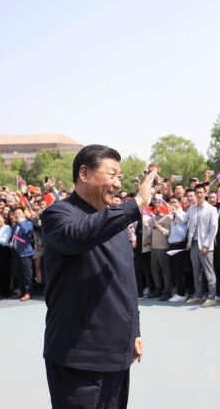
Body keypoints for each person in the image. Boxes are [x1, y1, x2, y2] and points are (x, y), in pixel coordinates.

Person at [40, 145, 156, 408]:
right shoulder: (58, 214)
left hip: (116, 354)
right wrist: (135, 204)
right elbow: (79, 236)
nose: (117, 183)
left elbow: (125, 280)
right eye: (111, 174)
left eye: (119, 177)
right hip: (78, 356)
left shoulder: (115, 221)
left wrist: (135, 330)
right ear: (84, 173)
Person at [185, 184, 219, 308]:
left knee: (209, 272)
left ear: (205, 193)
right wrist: (175, 213)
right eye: (197, 192)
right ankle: (198, 295)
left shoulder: (211, 209)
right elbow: (184, 220)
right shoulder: (191, 208)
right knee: (196, 272)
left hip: (205, 245)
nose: (199, 195)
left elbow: (213, 229)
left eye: (201, 192)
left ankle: (212, 297)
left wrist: (207, 245)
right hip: (193, 244)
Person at [10, 207, 34, 302]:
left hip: (26, 251)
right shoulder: (15, 226)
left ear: (24, 214)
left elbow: (26, 233)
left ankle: (29, 292)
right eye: (15, 213)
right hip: (17, 251)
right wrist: (11, 242)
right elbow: (15, 237)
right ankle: (22, 290)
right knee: (19, 273)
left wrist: (20, 221)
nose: (17, 215)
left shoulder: (28, 223)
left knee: (27, 273)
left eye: (19, 213)